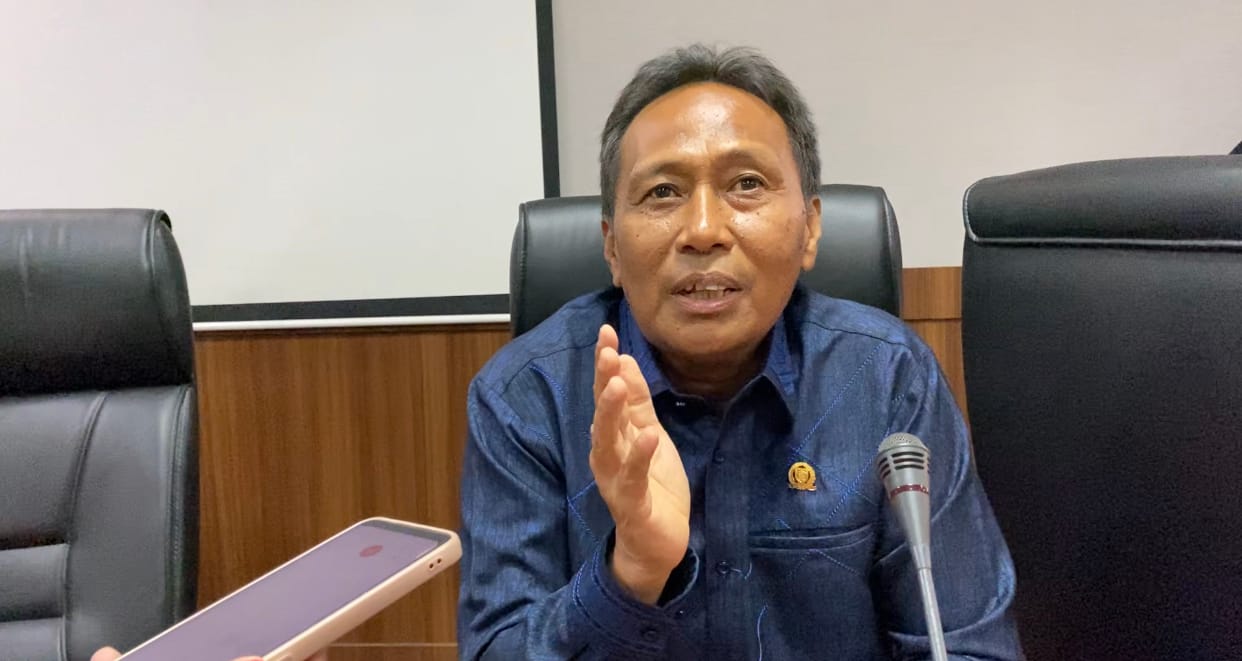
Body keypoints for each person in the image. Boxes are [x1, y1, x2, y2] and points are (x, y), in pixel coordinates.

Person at [457, 44, 1023, 659]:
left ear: (810, 228)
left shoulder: (886, 377)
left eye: (746, 184)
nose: (703, 230)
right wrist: (633, 570)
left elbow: (965, 643)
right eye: (663, 191)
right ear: (612, 247)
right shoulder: (527, 396)